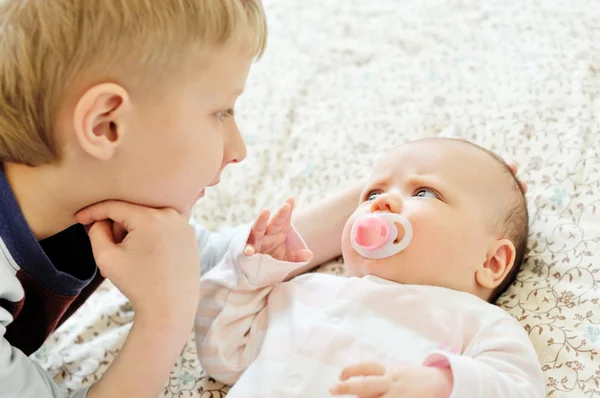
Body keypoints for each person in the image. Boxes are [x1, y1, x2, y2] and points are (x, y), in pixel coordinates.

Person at [0, 1, 360, 397]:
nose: (239, 149)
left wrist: (383, 193)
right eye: (221, 112)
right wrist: (163, 320)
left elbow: (199, 258)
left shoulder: (87, 191)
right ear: (106, 125)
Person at [195, 138, 544, 398]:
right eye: (371, 195)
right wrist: (249, 274)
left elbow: (520, 389)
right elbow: (222, 357)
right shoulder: (302, 291)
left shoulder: (480, 324)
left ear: (491, 261)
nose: (384, 202)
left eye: (424, 193)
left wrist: (442, 385)